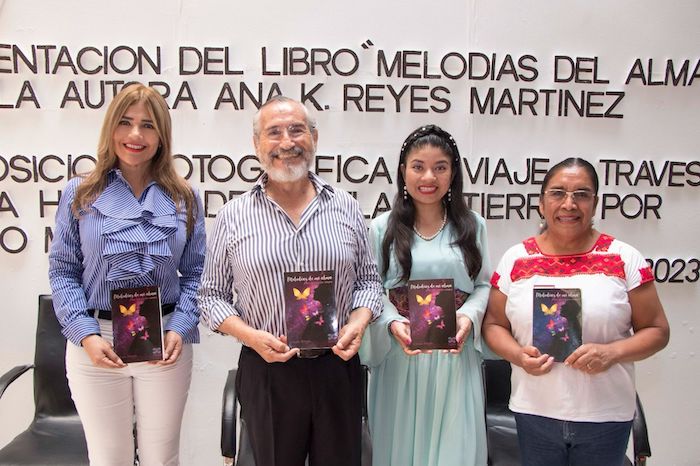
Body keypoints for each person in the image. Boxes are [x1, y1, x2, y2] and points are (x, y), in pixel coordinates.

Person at [197, 95, 383, 466]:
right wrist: (251, 336)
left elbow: (369, 283)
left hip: (336, 367)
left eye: (297, 130)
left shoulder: (345, 206)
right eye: (274, 132)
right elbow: (211, 297)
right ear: (257, 145)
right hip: (267, 371)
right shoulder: (234, 215)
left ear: (313, 137)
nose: (287, 142)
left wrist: (358, 323)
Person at [48, 83, 206, 466]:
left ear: (162, 136)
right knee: (107, 459)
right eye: (126, 122)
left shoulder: (184, 196)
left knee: (161, 458)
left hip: (164, 342)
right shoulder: (80, 193)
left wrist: (179, 327)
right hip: (96, 345)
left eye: (148, 125)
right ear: (110, 129)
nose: (136, 135)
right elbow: (63, 270)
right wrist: (84, 335)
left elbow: (198, 272)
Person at [482, 157, 670, 466]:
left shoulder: (624, 258)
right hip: (535, 413)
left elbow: (658, 331)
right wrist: (517, 355)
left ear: (595, 203)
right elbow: (493, 325)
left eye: (581, 194)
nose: (569, 204)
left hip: (605, 417)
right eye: (558, 193)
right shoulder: (516, 260)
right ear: (542, 203)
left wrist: (612, 353)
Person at [359, 125, 491, 466]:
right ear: (403, 171)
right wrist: (391, 322)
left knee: (454, 453)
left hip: (455, 358)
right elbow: (370, 288)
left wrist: (468, 316)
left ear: (453, 173)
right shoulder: (381, 228)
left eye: (440, 167)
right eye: (418, 166)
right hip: (400, 357)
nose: (428, 176)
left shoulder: (472, 226)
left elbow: (483, 285)